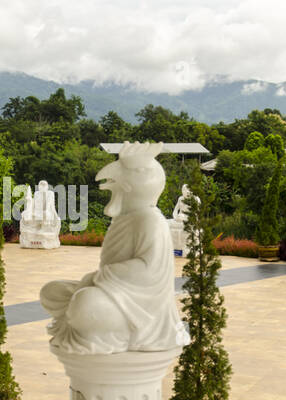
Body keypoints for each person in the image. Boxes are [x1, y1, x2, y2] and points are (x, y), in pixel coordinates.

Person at [40, 142, 183, 354]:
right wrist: (96, 280)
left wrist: (100, 277)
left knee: (84, 304)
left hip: (140, 309)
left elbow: (148, 270)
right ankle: (86, 319)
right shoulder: (126, 218)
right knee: (51, 292)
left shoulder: (149, 220)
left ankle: (102, 328)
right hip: (114, 292)